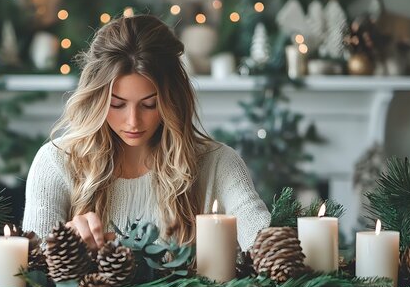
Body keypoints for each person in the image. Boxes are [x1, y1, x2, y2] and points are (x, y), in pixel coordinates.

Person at [22, 15, 270, 251]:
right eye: (117, 104)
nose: (133, 121)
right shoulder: (55, 162)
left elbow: (263, 240)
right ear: (96, 100)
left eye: (149, 104)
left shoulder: (218, 163)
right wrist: (64, 247)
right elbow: (31, 269)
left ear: (172, 101)